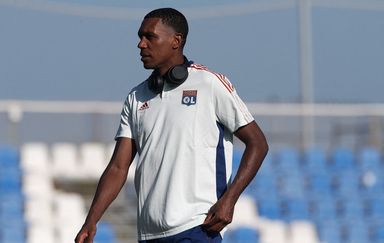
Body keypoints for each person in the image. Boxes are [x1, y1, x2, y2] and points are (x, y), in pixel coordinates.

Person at [75, 7, 268, 243]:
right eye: (140, 36)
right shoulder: (136, 97)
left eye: (150, 36)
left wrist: (229, 200)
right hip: (149, 234)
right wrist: (91, 220)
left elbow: (258, 143)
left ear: (176, 41)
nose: (141, 44)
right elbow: (118, 167)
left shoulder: (209, 84)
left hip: (198, 228)